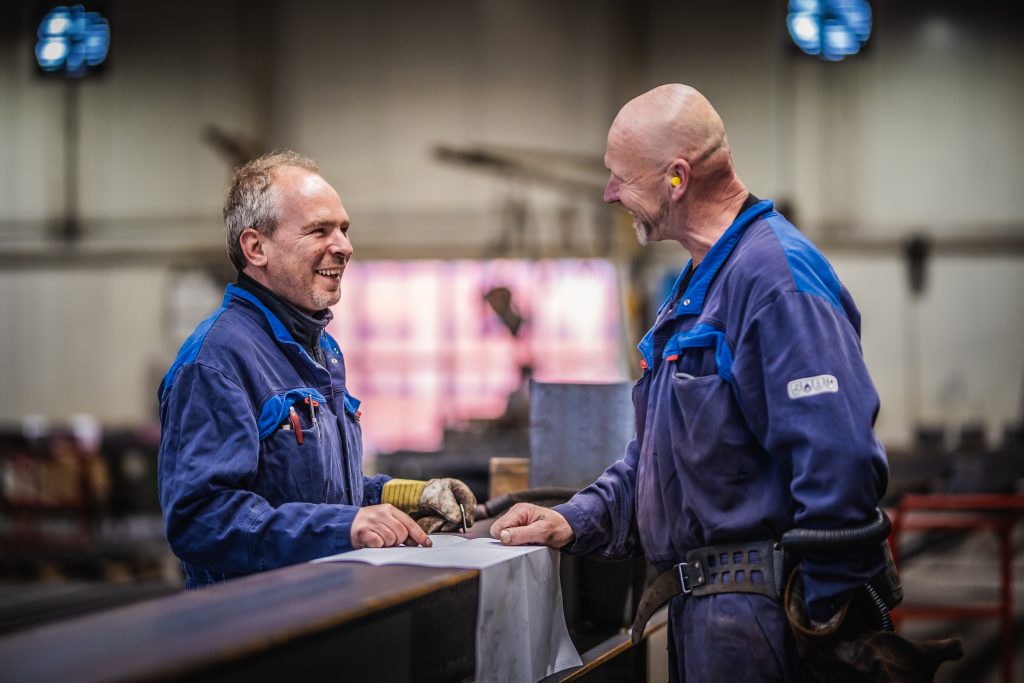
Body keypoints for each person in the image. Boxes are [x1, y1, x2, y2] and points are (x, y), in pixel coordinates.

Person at [492, 85, 919, 681]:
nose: (610, 193)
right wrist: (575, 519)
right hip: (715, 618)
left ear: (677, 177)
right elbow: (663, 462)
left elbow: (840, 462)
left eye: (620, 177)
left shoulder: (774, 281)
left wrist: (819, 624)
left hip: (767, 624)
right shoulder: (702, 284)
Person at [158, 151, 476, 588]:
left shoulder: (320, 349)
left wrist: (412, 496)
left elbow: (328, 494)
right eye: (319, 230)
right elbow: (200, 520)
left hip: (324, 609)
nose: (344, 246)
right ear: (256, 248)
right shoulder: (216, 361)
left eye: (343, 229)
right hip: (250, 630)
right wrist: (342, 530)